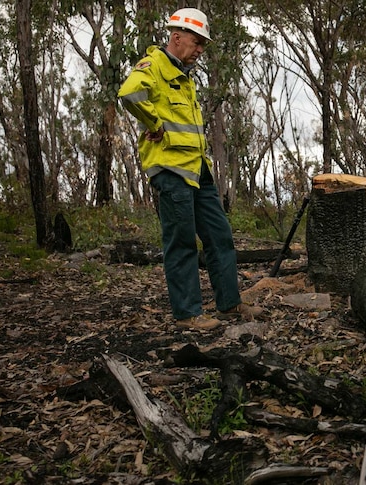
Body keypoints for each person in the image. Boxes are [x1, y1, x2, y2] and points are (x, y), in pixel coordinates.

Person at [118, 7, 253, 330]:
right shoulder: (154, 66)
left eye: (203, 44)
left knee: (219, 235)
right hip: (171, 169)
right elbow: (129, 93)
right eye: (197, 42)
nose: (200, 50)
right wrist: (154, 123)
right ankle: (188, 314)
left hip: (198, 169)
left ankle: (229, 304)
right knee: (180, 242)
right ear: (176, 38)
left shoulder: (184, 75)